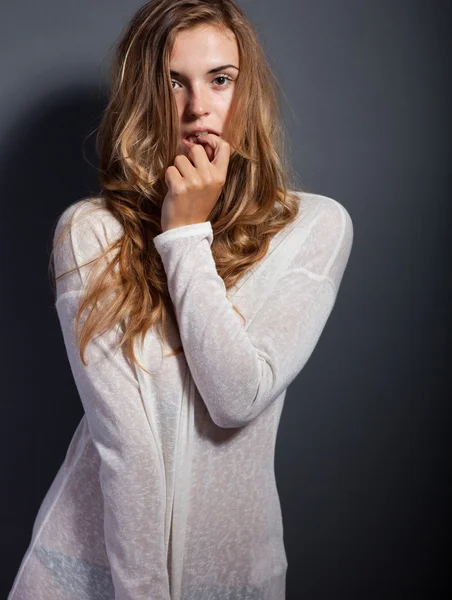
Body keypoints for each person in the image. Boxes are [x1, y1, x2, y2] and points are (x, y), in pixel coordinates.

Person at [8, 1, 354, 599]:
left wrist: (185, 236)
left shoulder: (317, 226)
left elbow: (234, 396)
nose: (199, 108)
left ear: (248, 90)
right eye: (174, 82)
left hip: (236, 578)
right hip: (91, 573)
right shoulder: (93, 232)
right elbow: (127, 448)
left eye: (221, 79)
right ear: (145, 96)